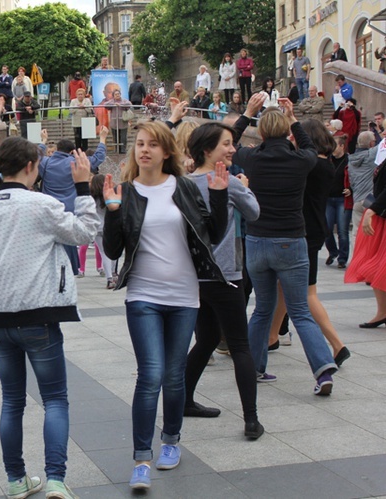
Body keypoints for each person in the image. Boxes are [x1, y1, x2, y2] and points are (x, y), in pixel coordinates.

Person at [0, 138, 98, 499]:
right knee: (55, 399)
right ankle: (55, 478)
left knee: (12, 401)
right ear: (30, 167)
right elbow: (86, 232)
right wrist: (83, 187)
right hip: (38, 316)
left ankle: (16, 480)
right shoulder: (43, 205)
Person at [102, 121, 230, 490]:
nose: (144, 150)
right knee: (150, 374)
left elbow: (213, 236)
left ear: (167, 152)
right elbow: (112, 251)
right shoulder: (125, 192)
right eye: (140, 144)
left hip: (184, 296)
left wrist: (220, 196)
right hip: (143, 295)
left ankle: (170, 440)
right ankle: (141, 458)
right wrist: (112, 212)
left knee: (174, 375)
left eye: (152, 145)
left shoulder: (184, 188)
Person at [232, 94, 338, 394]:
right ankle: (322, 368)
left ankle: (253, 367)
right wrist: (293, 118)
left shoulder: (251, 158)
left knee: (263, 309)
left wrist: (248, 113)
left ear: (262, 132)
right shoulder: (301, 160)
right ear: (286, 131)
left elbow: (229, 143)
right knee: (300, 310)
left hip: (257, 240)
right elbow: (310, 146)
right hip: (292, 241)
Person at [182, 122, 263, 439]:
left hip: (194, 278)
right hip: (226, 275)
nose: (232, 149)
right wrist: (244, 185)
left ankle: (185, 401)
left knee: (205, 340)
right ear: (207, 150)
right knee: (240, 347)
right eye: (226, 144)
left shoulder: (182, 184)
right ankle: (251, 420)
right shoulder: (228, 182)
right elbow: (254, 213)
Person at [40, 127, 108, 275]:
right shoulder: (76, 163)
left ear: (57, 149)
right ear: (71, 152)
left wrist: (43, 142)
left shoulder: (45, 163)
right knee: (69, 248)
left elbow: (35, 157)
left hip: (48, 211)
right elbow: (98, 158)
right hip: (69, 212)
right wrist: (102, 139)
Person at [345, 153, 386, 328]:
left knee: (378, 265)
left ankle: (382, 312)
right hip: (381, 215)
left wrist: (372, 210)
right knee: (374, 264)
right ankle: (382, 311)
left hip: (380, 213)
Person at [324, 134, 351, 269]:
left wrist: (350, 189)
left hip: (342, 199)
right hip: (328, 199)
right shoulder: (328, 160)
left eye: (335, 146)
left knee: (342, 230)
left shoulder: (348, 160)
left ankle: (342, 258)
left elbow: (355, 177)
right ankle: (333, 252)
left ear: (341, 146)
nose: (332, 148)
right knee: (327, 229)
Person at [105, 89, 133, 154]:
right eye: (116, 94)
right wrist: (114, 104)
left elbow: (129, 104)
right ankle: (116, 149)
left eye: (118, 94)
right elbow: (106, 104)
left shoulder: (124, 100)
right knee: (115, 137)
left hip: (123, 122)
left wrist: (120, 104)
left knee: (123, 137)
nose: (117, 95)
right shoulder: (111, 101)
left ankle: (123, 149)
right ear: (113, 96)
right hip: (114, 123)